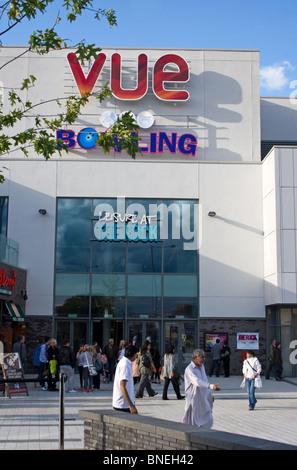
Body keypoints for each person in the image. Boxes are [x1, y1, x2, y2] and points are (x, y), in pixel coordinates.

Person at [183, 349, 220, 429]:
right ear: (196, 358)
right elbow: (197, 382)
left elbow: (204, 380)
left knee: (208, 419)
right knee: (193, 422)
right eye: (202, 357)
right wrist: (211, 386)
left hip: (203, 398)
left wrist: (210, 395)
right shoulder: (189, 369)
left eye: (204, 357)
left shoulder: (202, 367)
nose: (204, 359)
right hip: (194, 399)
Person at [112, 344, 139, 413]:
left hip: (124, 404)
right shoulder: (125, 365)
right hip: (123, 405)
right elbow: (122, 386)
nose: (137, 356)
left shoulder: (125, 362)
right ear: (133, 354)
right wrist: (131, 405)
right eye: (136, 354)